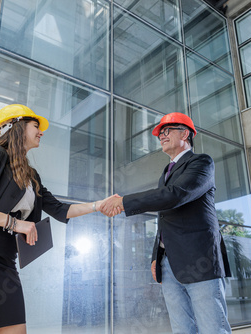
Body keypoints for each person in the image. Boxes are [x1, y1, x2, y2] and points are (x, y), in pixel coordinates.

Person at [0, 104, 116, 334]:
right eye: (36, 126)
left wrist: (99, 205)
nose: (41, 132)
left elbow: (60, 209)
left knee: (17, 329)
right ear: (16, 126)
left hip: (5, 263)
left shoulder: (31, 175)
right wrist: (14, 223)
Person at [101, 112, 232, 334]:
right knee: (182, 329)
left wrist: (124, 201)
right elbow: (164, 216)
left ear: (186, 133)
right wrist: (156, 256)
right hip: (169, 264)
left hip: (199, 261)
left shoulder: (201, 162)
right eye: (160, 132)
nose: (161, 135)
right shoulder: (166, 172)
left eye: (167, 130)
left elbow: (175, 195)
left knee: (213, 329)